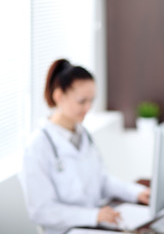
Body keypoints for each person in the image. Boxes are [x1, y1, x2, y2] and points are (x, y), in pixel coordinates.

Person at [19, 59, 150, 234]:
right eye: (82, 101)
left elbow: (101, 180)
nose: (88, 108)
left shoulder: (82, 134)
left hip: (93, 226)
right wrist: (93, 215)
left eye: (91, 101)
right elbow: (41, 211)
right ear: (59, 96)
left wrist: (135, 192)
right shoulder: (37, 146)